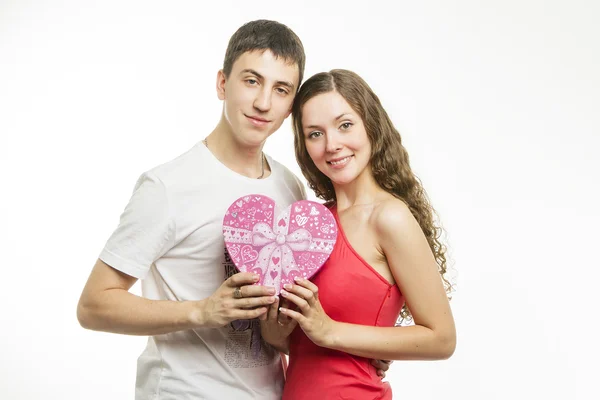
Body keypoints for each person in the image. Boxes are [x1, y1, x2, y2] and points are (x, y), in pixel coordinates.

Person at [77, 21, 390, 400]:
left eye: (281, 90)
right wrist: (202, 311)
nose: (263, 103)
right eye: (251, 81)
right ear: (222, 84)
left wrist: (351, 348)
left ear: (291, 104)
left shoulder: (289, 187)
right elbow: (93, 305)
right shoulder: (168, 186)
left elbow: (283, 325)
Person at [261, 69, 456, 399]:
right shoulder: (311, 223)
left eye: (345, 125)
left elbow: (442, 338)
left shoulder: (389, 217)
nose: (332, 145)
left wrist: (332, 331)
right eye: (315, 134)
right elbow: (310, 349)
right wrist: (273, 332)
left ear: (371, 126)